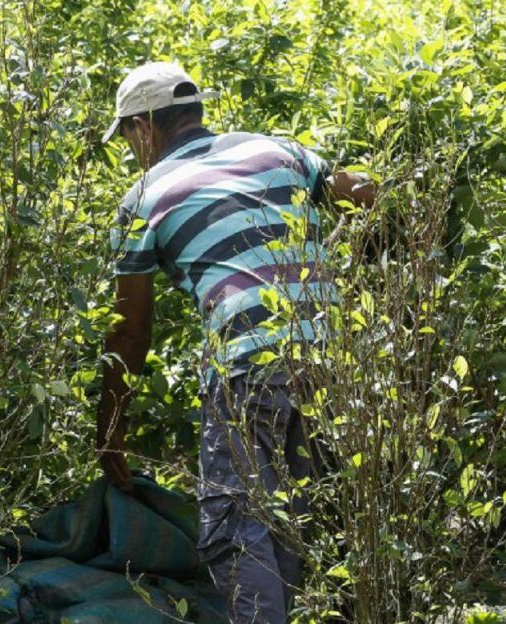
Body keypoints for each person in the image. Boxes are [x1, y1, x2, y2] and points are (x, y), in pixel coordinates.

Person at [95, 61, 375, 623]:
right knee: (306, 521)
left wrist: (110, 427)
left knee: (237, 529)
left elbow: (130, 331)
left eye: (126, 137)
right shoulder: (277, 151)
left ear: (142, 128)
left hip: (248, 366)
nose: (130, 151)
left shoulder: (142, 198)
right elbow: (366, 195)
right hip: (332, 361)